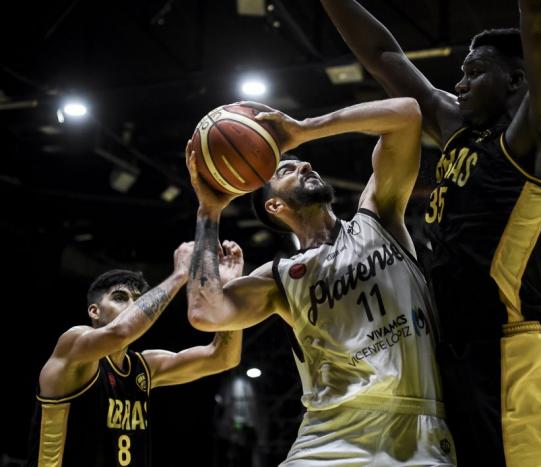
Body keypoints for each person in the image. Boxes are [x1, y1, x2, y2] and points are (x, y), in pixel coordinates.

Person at [320, 1, 541, 466]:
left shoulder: (540, 137)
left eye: (474, 73)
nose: (459, 84)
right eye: (461, 73)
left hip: (510, 350)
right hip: (446, 348)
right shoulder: (456, 129)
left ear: (516, 81)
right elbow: (383, 56)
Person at [185, 98, 456, 466]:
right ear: (275, 206)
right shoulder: (279, 277)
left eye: (302, 162)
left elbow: (407, 115)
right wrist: (209, 211)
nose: (305, 165)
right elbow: (205, 313)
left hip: (416, 429)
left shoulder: (378, 217)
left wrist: (304, 129)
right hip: (327, 438)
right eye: (287, 170)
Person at [27, 241, 243, 467]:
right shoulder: (74, 345)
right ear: (94, 311)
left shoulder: (144, 366)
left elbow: (223, 357)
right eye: (120, 298)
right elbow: (121, 332)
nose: (132, 305)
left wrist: (230, 291)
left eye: (137, 300)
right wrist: (180, 275)